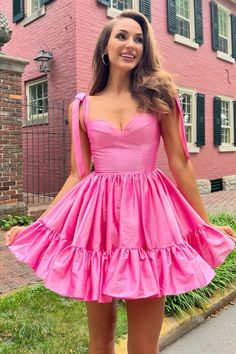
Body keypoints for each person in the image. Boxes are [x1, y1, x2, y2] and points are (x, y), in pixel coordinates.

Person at [4, 10, 235, 354]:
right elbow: (78, 173)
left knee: (143, 347)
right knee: (100, 343)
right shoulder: (81, 106)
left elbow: (181, 162)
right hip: (98, 224)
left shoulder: (160, 97)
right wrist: (39, 225)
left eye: (139, 39)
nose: (131, 45)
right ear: (105, 47)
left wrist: (204, 224)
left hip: (148, 222)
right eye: (122, 36)